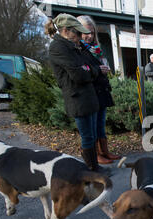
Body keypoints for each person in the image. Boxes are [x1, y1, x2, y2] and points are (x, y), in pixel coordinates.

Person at [44, 14, 110, 174]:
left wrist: (88, 70)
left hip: (89, 97)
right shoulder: (58, 48)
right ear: (66, 30)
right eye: (77, 33)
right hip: (78, 99)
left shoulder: (73, 47)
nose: (81, 37)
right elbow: (78, 74)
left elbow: (85, 68)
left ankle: (94, 166)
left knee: (92, 135)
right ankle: (91, 170)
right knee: (87, 137)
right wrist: (91, 71)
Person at [77, 15, 121, 165]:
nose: (89, 36)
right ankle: (96, 154)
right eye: (86, 33)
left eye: (92, 33)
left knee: (101, 123)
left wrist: (104, 69)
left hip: (102, 91)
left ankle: (105, 151)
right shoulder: (79, 50)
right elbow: (83, 70)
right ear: (79, 32)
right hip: (92, 92)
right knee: (93, 126)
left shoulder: (97, 49)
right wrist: (97, 69)